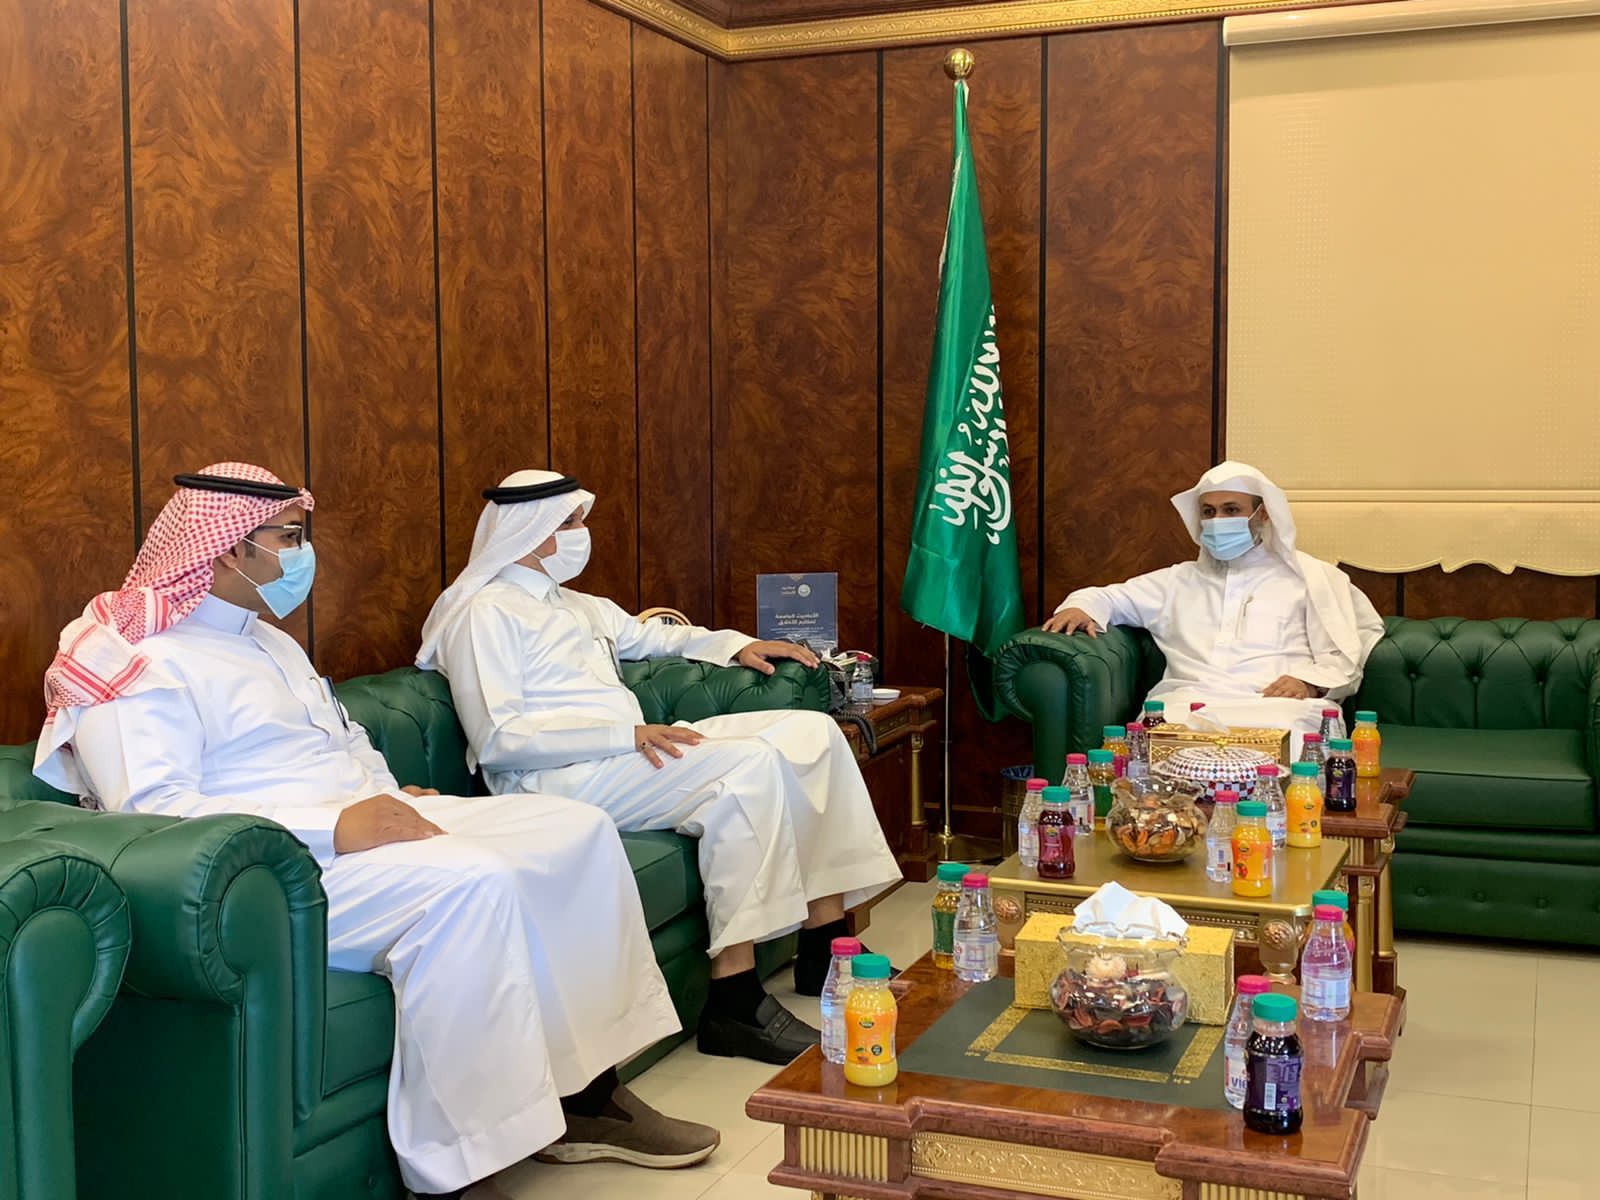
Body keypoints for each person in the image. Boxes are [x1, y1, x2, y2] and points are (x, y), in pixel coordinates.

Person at [33, 464, 719, 1200]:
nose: (302, 554)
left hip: (360, 825)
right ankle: (460, 1171)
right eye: (288, 537)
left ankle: (588, 1097)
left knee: (575, 830)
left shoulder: (271, 643)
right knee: (470, 884)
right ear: (229, 547)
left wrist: (385, 794)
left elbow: (343, 740)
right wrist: (334, 825)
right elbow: (152, 814)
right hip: (275, 871)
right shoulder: (133, 655)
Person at [416, 469, 902, 1065]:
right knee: (743, 767)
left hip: (623, 757)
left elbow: (655, 638)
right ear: (531, 530)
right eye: (570, 523)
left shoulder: (576, 605)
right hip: (557, 779)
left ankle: (825, 945)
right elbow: (499, 740)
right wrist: (626, 734)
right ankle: (734, 998)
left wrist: (735, 645)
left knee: (812, 732)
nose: (581, 534)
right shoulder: (484, 613)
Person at [1042, 461, 1384, 751]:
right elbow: (1107, 597)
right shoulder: (1176, 581)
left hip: (1278, 707)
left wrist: (1310, 683)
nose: (1218, 520)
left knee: (1298, 740)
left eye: (1231, 510)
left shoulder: (1310, 578)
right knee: (1148, 750)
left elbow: (1343, 652)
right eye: (1209, 512)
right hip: (1187, 706)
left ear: (1263, 514)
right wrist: (1079, 607)